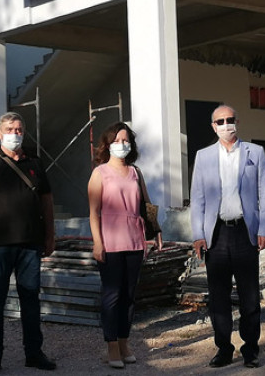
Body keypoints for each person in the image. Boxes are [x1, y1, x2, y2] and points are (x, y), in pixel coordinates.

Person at [0, 112, 57, 375]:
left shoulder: (35, 163)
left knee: (30, 300)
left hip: (30, 244)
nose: (14, 134)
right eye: (9, 129)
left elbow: (47, 201)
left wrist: (50, 235)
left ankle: (34, 353)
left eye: (19, 129)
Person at [190, 105, 265, 368]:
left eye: (230, 119)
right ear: (213, 126)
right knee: (218, 296)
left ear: (237, 121)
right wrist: (198, 234)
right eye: (220, 121)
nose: (226, 124)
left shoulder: (255, 153)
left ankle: (251, 349)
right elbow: (198, 199)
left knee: (249, 295)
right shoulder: (203, 156)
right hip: (216, 233)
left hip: (244, 232)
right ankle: (224, 348)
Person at [88, 122, 163, 369]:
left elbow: (147, 205)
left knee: (129, 295)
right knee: (112, 294)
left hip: (134, 240)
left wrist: (156, 231)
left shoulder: (135, 172)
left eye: (125, 140)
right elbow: (93, 212)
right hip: (110, 241)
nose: (122, 144)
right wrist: (97, 243)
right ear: (107, 144)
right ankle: (111, 345)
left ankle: (124, 343)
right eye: (117, 140)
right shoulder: (99, 173)